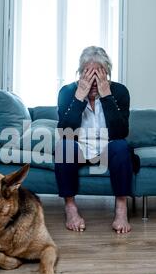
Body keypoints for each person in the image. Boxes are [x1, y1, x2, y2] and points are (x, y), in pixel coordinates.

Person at [55, 46, 139, 234]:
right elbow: (64, 132)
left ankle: (121, 209)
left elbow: (120, 132)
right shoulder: (67, 92)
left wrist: (107, 96)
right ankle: (70, 208)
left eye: (98, 74)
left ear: (106, 73)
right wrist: (79, 97)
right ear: (80, 73)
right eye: (88, 74)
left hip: (108, 146)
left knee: (121, 146)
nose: (93, 81)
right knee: (65, 146)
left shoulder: (119, 92)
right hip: (80, 147)